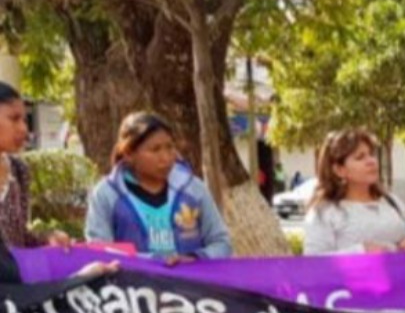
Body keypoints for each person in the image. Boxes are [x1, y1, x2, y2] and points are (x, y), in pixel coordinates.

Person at [85, 112, 232, 264]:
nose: (166, 158)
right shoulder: (107, 194)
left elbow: (221, 243)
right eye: (155, 150)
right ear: (129, 154)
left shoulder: (194, 189)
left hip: (191, 286)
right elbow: (100, 252)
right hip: (134, 286)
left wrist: (194, 259)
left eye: (170, 147)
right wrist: (154, 262)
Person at [303, 129, 405, 255]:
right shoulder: (324, 212)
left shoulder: (392, 202)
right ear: (339, 170)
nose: (371, 161)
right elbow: (314, 263)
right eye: (360, 157)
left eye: (371, 154)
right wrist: (360, 251)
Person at [0, 82, 69, 249]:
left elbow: (19, 237)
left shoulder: (18, 170)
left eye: (24, 120)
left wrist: (48, 239)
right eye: (14, 119)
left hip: (15, 274)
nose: (24, 129)